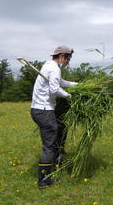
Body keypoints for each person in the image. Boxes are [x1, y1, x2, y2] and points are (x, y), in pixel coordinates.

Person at [30, 46, 77, 189]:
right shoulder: (54, 68)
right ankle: (43, 179)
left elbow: (61, 82)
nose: (68, 62)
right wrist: (70, 96)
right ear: (62, 56)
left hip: (38, 110)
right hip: (44, 111)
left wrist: (78, 86)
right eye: (68, 58)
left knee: (55, 135)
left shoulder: (49, 66)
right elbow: (54, 89)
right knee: (49, 145)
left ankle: (54, 164)